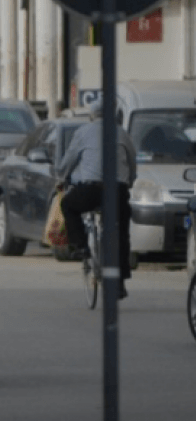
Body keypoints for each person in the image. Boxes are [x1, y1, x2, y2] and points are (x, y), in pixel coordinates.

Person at [57, 99, 137, 300]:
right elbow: (132, 162)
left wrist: (60, 177)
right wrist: (131, 182)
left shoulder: (83, 132)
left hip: (91, 190)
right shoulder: (122, 133)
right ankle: (120, 282)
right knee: (121, 232)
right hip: (117, 191)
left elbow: (68, 161)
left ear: (92, 115)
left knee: (68, 204)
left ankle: (80, 246)